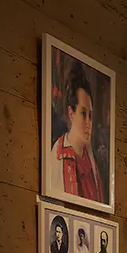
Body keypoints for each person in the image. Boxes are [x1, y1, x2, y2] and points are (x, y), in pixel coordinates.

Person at [49, 62, 104, 203]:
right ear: (71, 113)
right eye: (83, 114)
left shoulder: (91, 159)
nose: (88, 123)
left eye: (90, 116)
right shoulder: (59, 155)